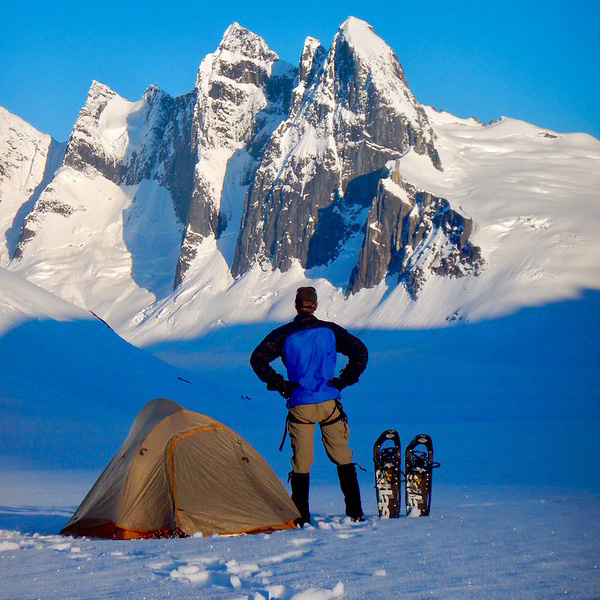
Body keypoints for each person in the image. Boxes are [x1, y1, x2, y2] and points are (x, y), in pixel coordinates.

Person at [250, 286, 368, 526]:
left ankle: (301, 517)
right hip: (329, 403)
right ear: (314, 306)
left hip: (300, 404)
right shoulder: (330, 331)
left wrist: (281, 384)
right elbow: (360, 352)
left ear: (296, 305)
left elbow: (257, 358)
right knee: (343, 457)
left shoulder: (284, 334)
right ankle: (355, 513)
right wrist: (343, 381)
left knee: (301, 463)